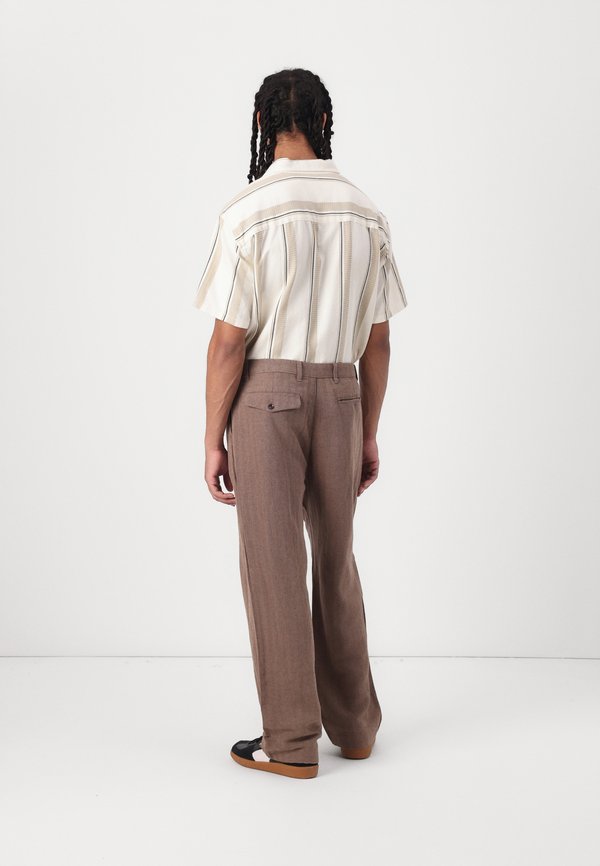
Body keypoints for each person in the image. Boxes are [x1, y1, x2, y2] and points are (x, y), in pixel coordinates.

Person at [193, 68, 407, 780]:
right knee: (336, 562)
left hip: (267, 399)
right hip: (343, 395)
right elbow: (378, 341)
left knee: (274, 564)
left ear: (262, 122)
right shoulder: (366, 212)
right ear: (323, 121)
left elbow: (228, 342)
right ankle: (356, 729)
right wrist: (367, 428)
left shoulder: (247, 212)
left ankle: (288, 742)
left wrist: (212, 438)